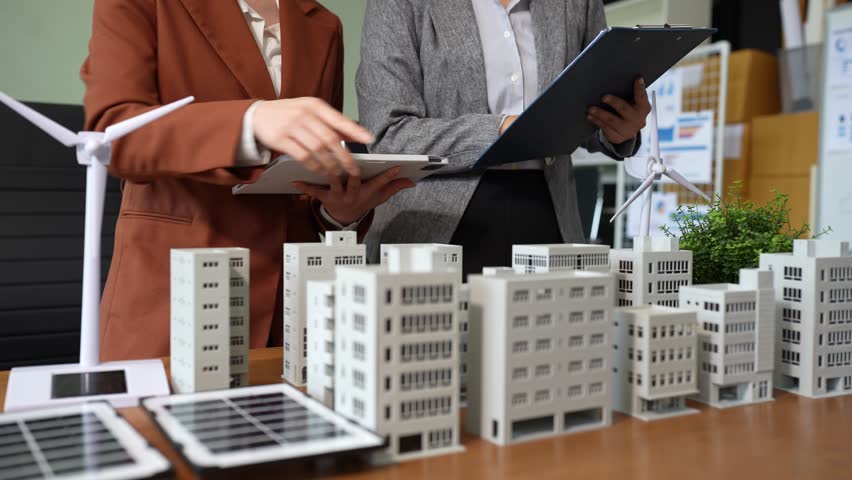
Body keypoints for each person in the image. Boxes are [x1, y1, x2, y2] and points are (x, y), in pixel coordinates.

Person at [82, 0, 413, 360]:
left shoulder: (324, 25)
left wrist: (339, 213)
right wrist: (250, 122)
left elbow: (305, 178)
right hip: (174, 299)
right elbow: (113, 134)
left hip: (289, 315)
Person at [358, 0, 651, 278]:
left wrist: (617, 126)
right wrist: (501, 130)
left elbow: (587, 109)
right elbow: (388, 134)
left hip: (551, 222)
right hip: (432, 233)